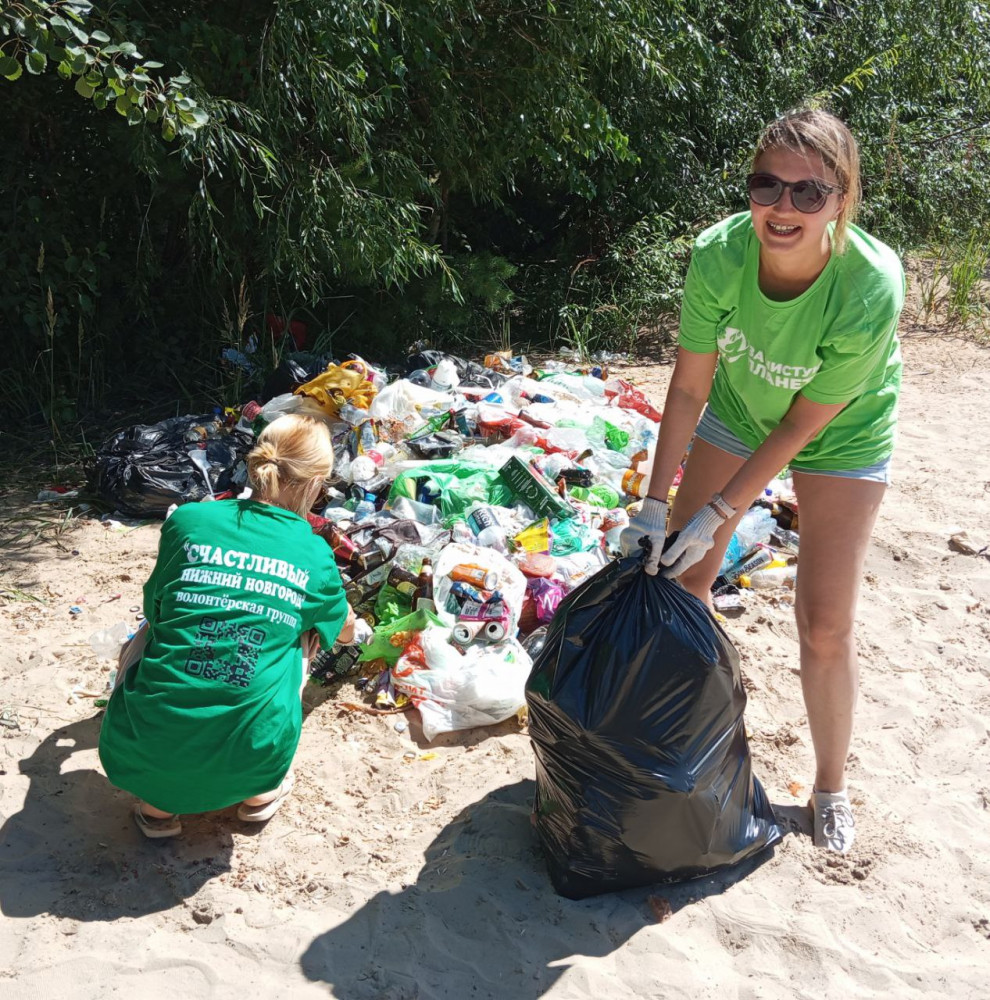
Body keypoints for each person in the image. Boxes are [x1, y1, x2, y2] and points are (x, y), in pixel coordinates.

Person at [621, 109, 904, 854]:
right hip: (740, 411)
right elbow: (687, 390)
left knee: (824, 622)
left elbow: (804, 426)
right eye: (767, 186)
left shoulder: (869, 283)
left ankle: (830, 785)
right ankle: (687, 752)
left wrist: (724, 506)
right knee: (679, 580)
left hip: (839, 434)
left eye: (809, 193)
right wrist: (657, 506)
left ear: (842, 199)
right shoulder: (720, 254)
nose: (784, 208)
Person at [99, 413, 356, 838]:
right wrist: (350, 629)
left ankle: (158, 810)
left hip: (139, 752)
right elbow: (342, 632)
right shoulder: (313, 554)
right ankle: (259, 795)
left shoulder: (189, 521)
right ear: (315, 484)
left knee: (156, 625)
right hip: (253, 761)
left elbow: (157, 608)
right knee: (305, 633)